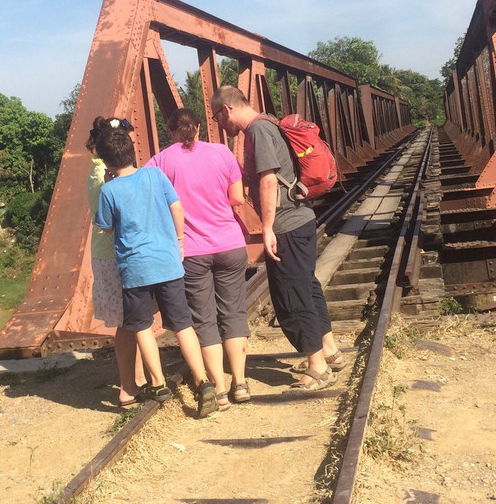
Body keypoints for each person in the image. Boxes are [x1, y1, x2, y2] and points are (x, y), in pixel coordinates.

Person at [209, 86, 345, 390]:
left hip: (287, 225)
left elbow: (269, 180)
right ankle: (330, 351)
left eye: (218, 117)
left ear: (227, 110)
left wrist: (267, 228)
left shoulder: (257, 130)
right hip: (300, 221)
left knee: (292, 296)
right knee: (307, 288)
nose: (220, 125)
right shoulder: (268, 122)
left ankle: (318, 368)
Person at [92, 126, 219, 418]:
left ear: (107, 161)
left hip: (135, 269)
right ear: (131, 150)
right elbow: (177, 208)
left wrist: (109, 183)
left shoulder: (109, 190)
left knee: (141, 326)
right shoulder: (154, 175)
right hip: (168, 262)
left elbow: (107, 227)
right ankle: (202, 383)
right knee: (182, 324)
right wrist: (179, 240)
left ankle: (158, 383)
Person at [148, 108, 251, 408]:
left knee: (204, 320)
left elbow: (148, 193)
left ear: (170, 131)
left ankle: (218, 389)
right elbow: (237, 198)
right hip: (230, 245)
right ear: (198, 127)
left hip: (192, 252)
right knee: (233, 314)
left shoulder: (162, 161)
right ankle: (240, 384)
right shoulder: (221, 153)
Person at [86, 116, 147, 407]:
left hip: (108, 252)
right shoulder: (105, 177)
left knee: (131, 319)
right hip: (116, 253)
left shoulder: (98, 173)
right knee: (128, 320)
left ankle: (136, 380)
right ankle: (128, 385)